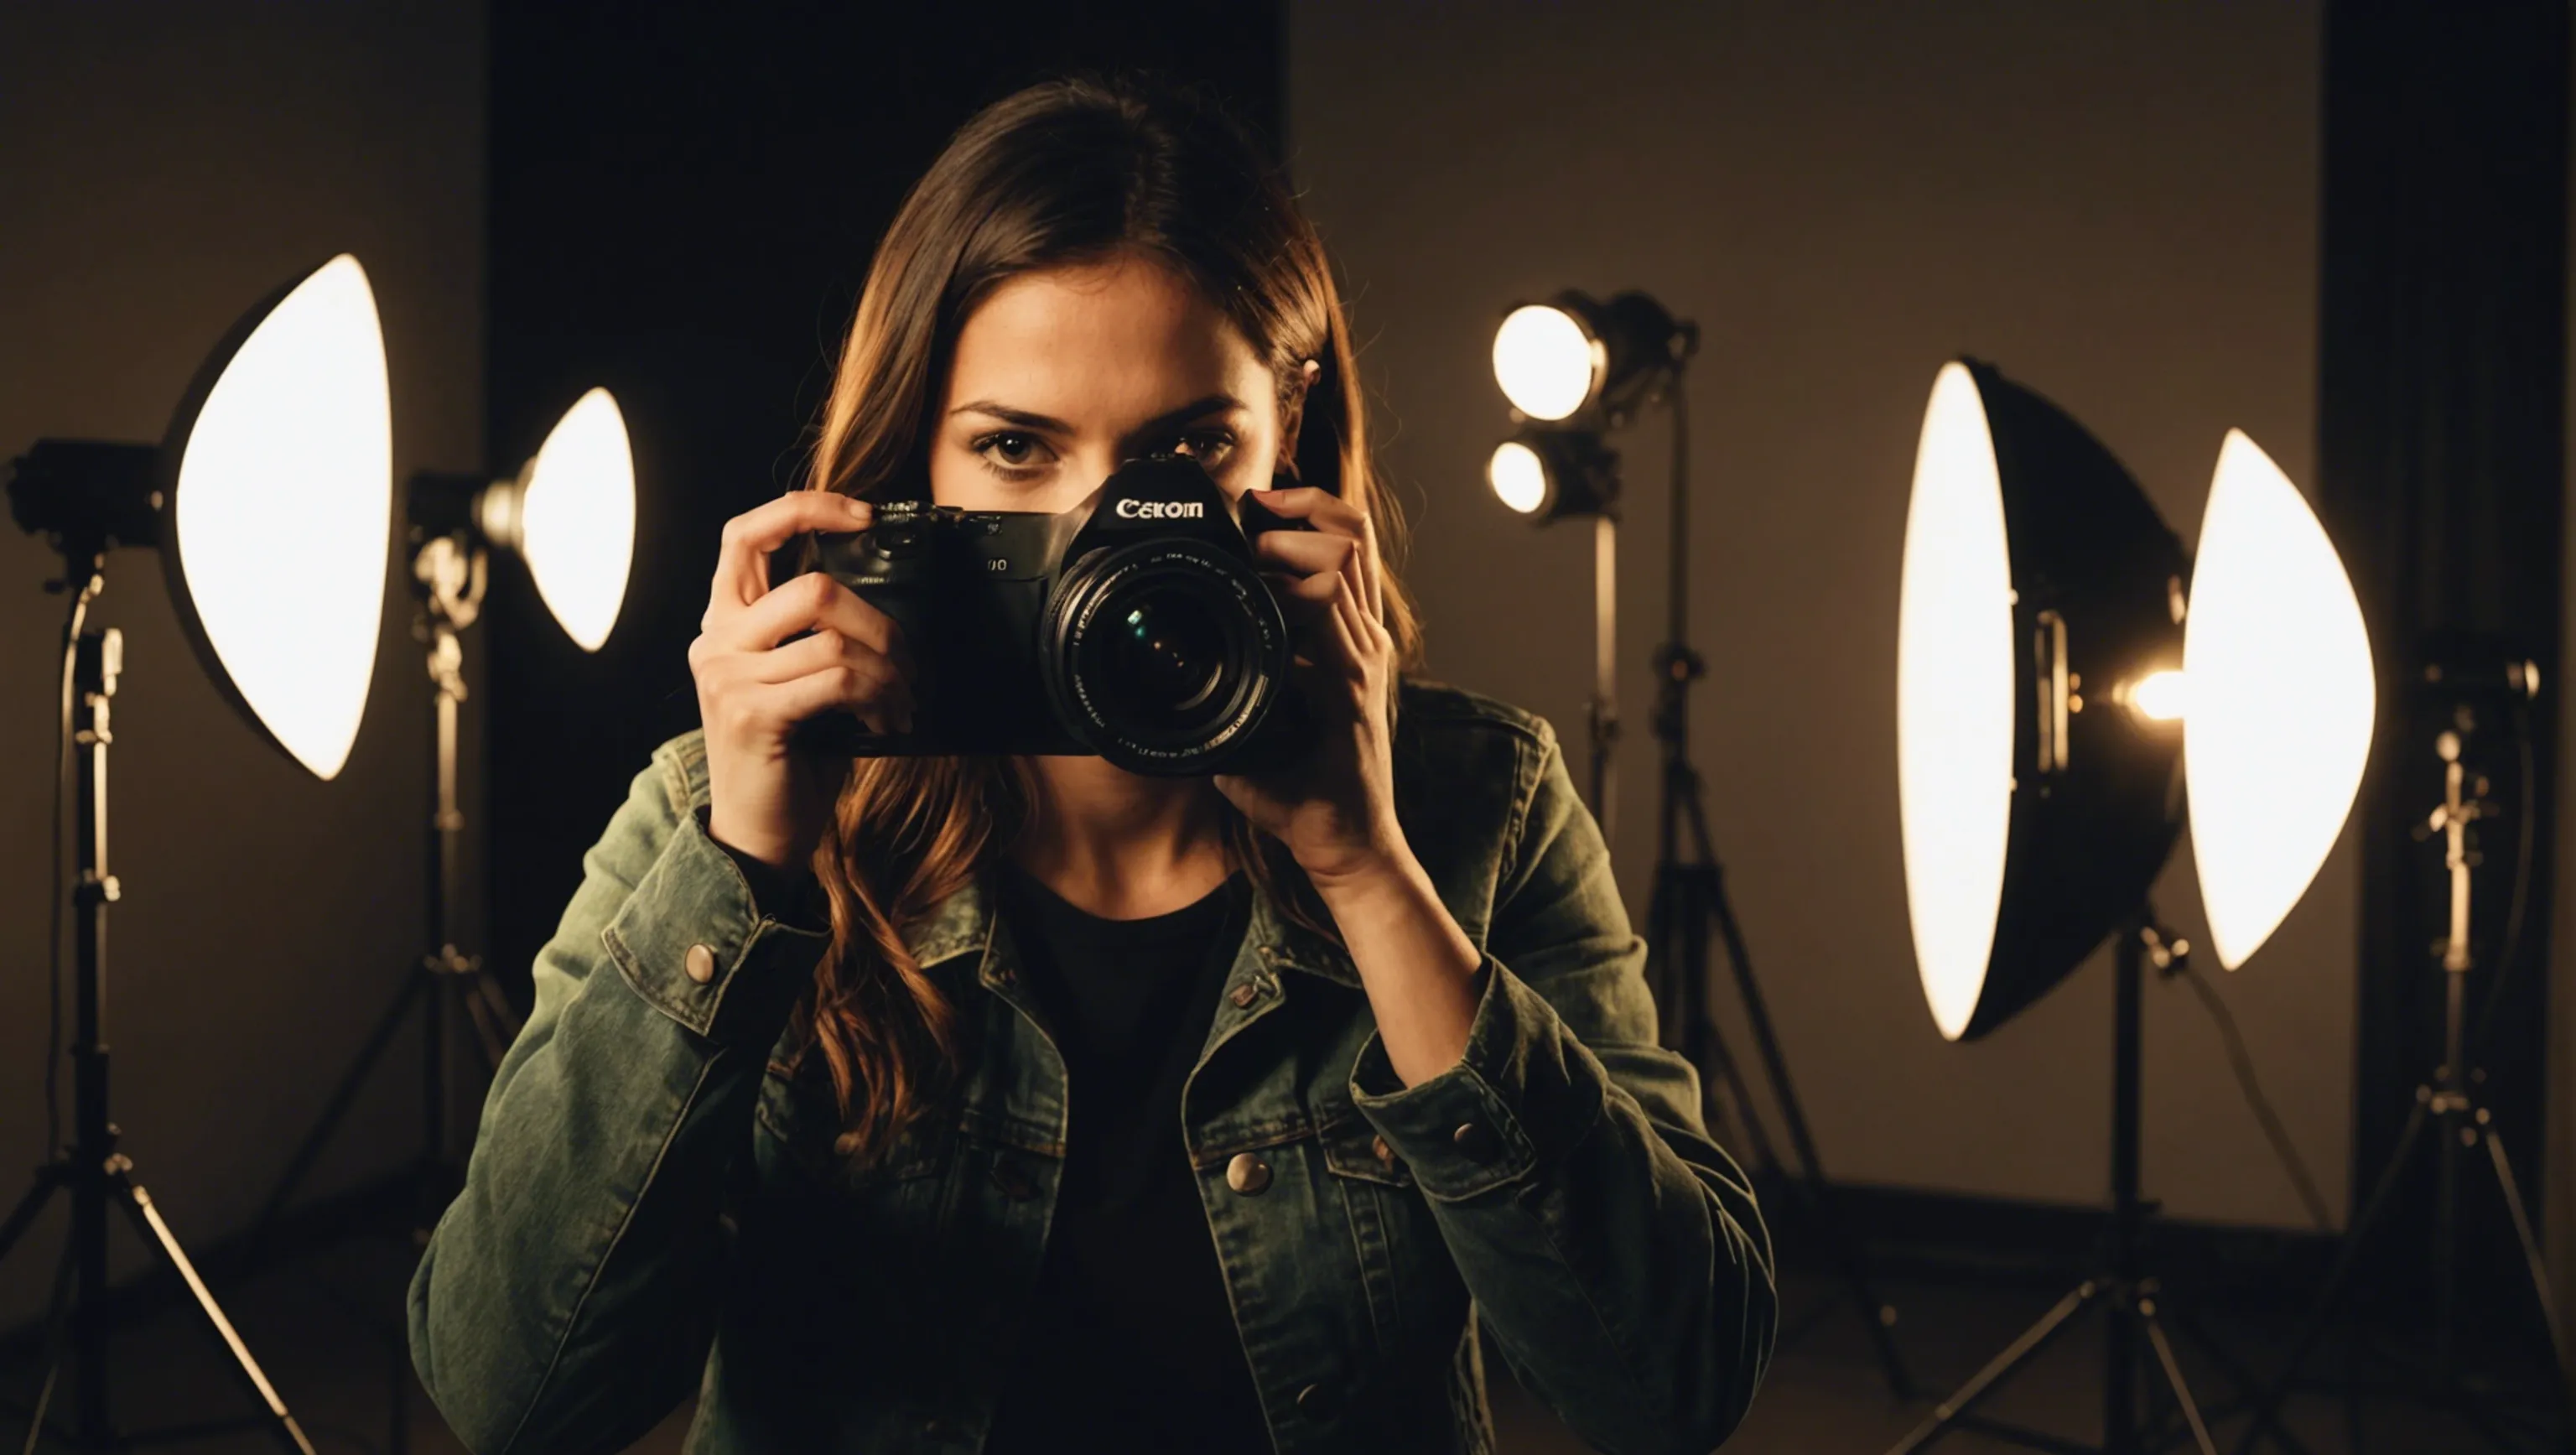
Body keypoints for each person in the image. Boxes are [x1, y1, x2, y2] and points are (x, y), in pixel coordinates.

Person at [408, 75, 1776, 1455]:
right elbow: (506, 1394)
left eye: (1187, 448)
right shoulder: (728, 816)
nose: (1107, 528)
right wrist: (745, 865)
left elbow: (1671, 1395)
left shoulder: (1476, 805)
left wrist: (1370, 872)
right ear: (917, 467)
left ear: (1285, 432)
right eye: (1015, 448)